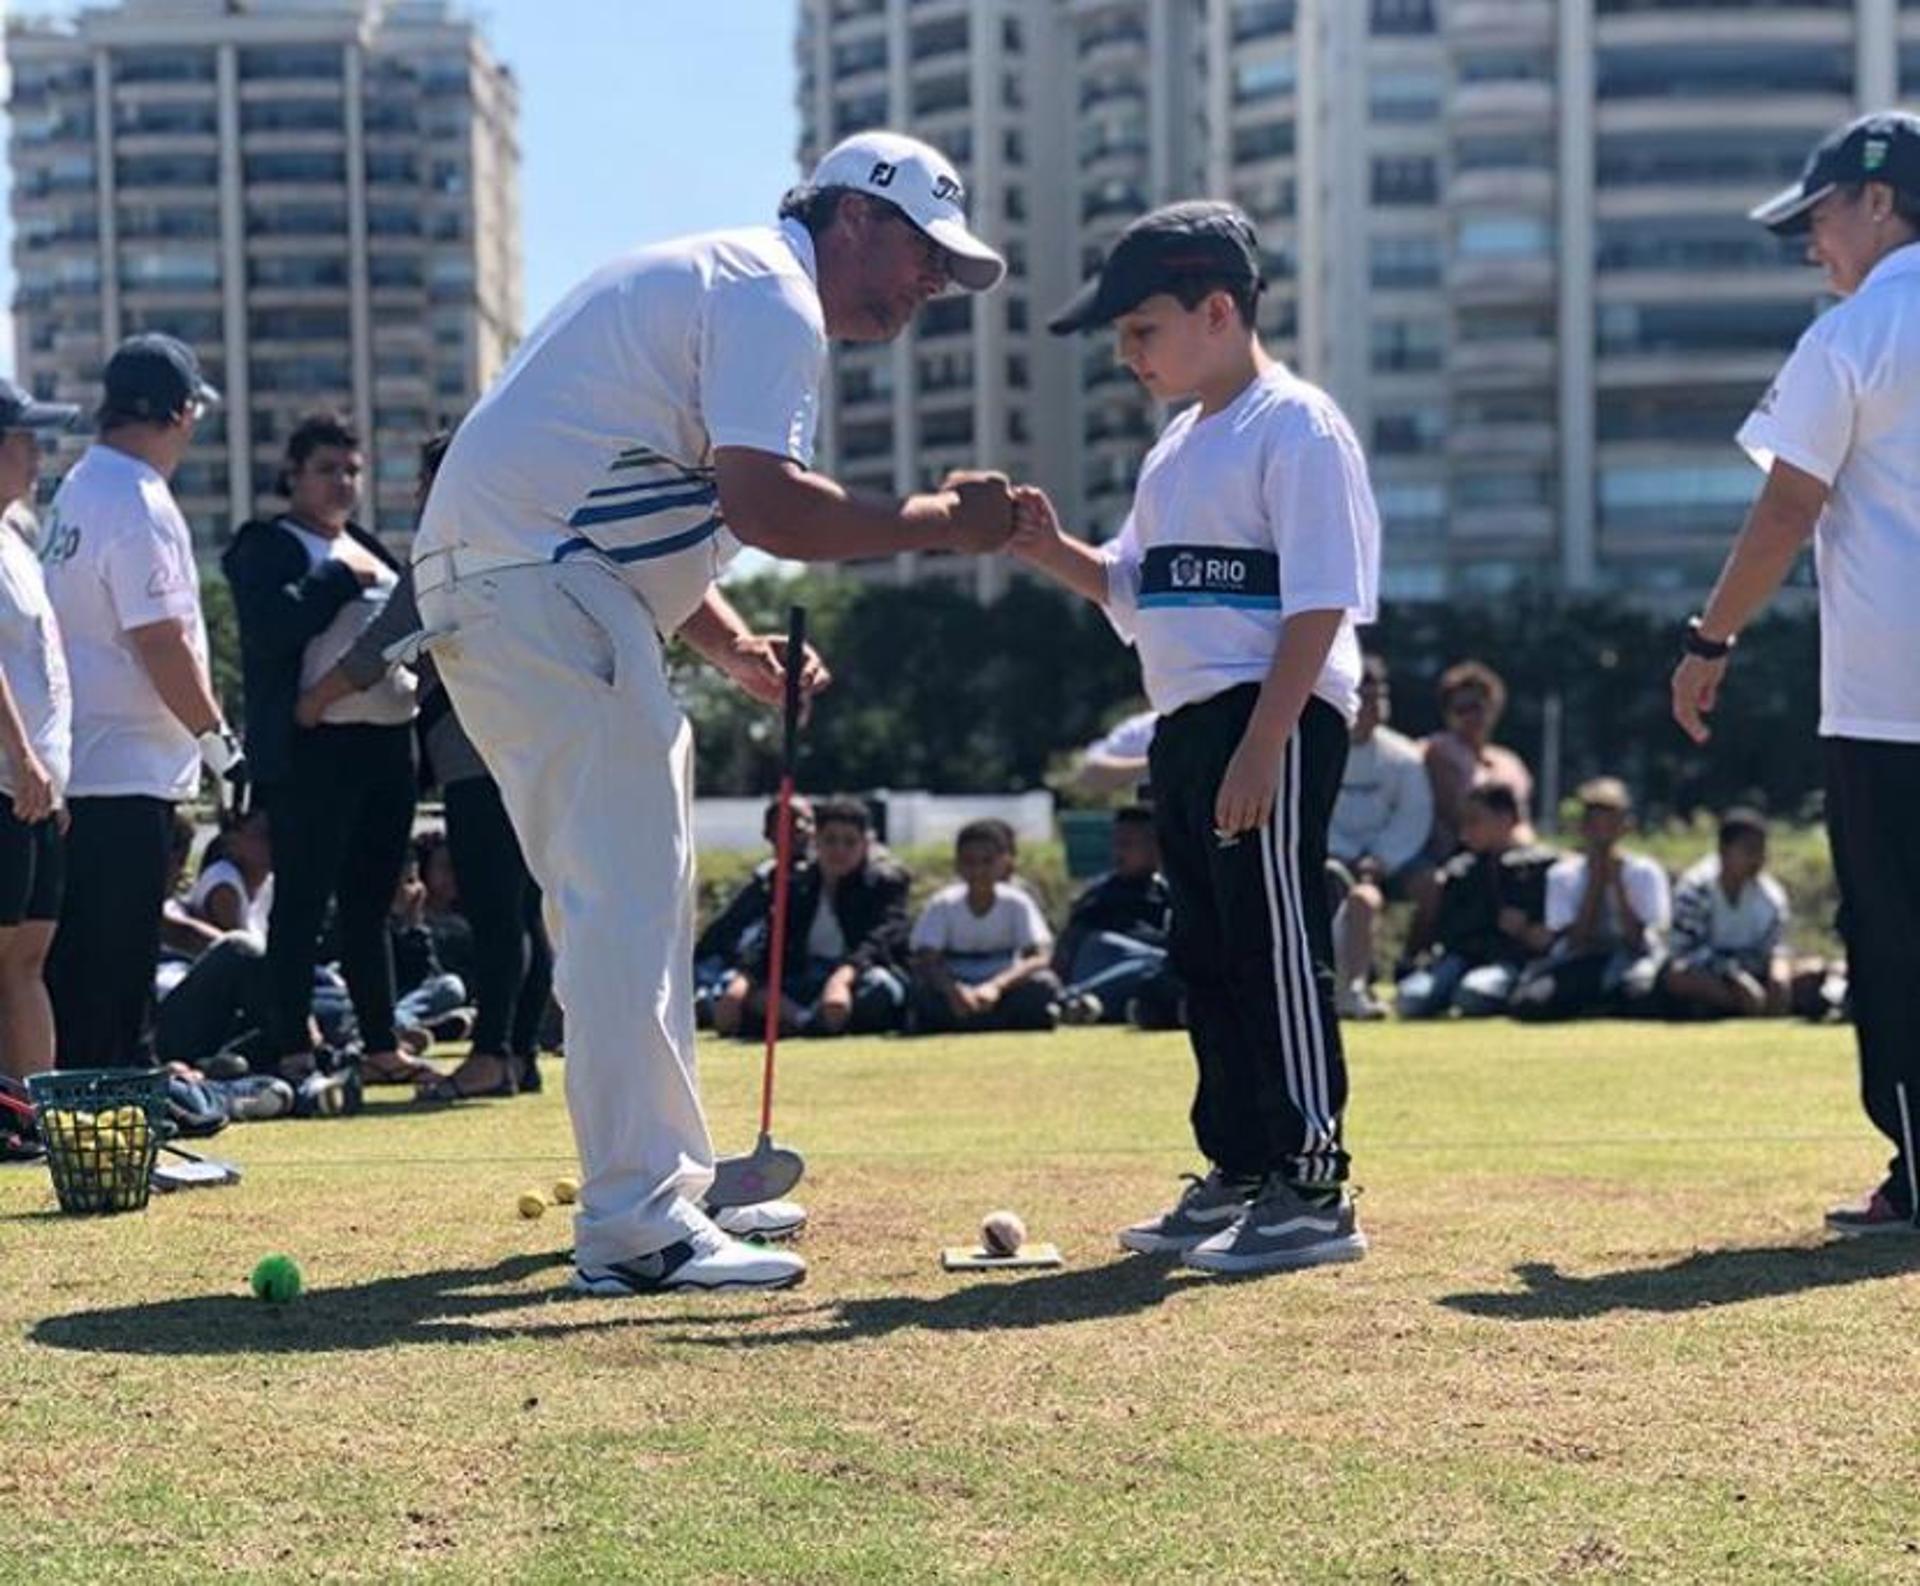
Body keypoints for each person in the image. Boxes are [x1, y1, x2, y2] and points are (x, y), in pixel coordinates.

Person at [409, 129, 1013, 1293]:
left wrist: (735, 646)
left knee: (633, 893)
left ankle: (666, 1189)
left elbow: (640, 503)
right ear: (853, 219)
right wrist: (941, 519)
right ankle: (637, 1221)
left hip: (529, 579)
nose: (931, 284)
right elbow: (769, 504)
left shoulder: (730, 281)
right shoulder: (771, 298)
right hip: (538, 584)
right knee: (623, 901)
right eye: (924, 253)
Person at [1010, 199, 1379, 1274]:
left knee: (1273, 942)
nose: (1128, 354)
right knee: (1207, 951)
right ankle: (1241, 1164)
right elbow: (1131, 590)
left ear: (1219, 309)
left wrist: (1266, 743)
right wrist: (1044, 545)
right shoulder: (1177, 447)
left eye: (1142, 329)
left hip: (1272, 709)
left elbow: (1320, 603)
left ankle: (1312, 1182)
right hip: (1186, 722)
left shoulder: (1294, 425)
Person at [1672, 110, 1920, 1235]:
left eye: (1818, 216)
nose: (1812, 241)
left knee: (1898, 935)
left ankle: (1917, 1167)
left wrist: (1711, 637)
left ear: (1877, 200)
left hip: (1889, 703)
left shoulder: (1856, 333)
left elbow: (1786, 505)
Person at [299, 430, 551, 1098]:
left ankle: (490, 1055)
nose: (418, 498)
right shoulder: (527, 543)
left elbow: (374, 651)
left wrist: (309, 704)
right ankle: (519, 1057)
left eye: (425, 485)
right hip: (536, 752)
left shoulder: (448, 551)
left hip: (476, 754)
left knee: (497, 913)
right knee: (525, 911)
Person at [40, 333, 242, 1071]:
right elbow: (161, 639)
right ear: (182, 411)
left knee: (81, 960)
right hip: (127, 768)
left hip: (79, 764)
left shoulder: (78, 487)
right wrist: (219, 741)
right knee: (119, 963)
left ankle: (94, 1106)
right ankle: (122, 1109)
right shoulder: (137, 499)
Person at [223, 414, 428, 1089]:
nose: (342, 482)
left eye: (352, 470)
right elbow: (270, 631)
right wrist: (340, 579)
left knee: (372, 905)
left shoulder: (373, 547)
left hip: (387, 747)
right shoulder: (268, 544)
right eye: (327, 470)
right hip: (315, 749)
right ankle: (292, 1046)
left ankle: (379, 1041)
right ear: (293, 475)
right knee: (303, 902)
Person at [0, 381, 79, 1082]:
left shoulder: (18, 538)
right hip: (4, 783)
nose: (36, 454)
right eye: (23, 439)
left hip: (35, 790)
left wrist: (54, 776)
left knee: (29, 956)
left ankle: (30, 1117)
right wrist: (22, 756)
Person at [718, 795, 911, 1038]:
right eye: (830, 841)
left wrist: (842, 977)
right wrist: (742, 981)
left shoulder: (883, 884)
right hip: (806, 977)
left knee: (881, 989)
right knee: (734, 990)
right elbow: (771, 940)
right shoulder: (798, 886)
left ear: (865, 845)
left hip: (858, 975)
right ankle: (807, 1021)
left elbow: (882, 939)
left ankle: (803, 1020)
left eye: (849, 842)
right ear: (816, 842)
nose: (839, 850)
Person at [1510, 778, 1670, 1021]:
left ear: (1625, 827)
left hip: (1631, 957)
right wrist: (1595, 885)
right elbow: (1576, 942)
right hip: (1582, 958)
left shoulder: (1645, 872)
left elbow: (1638, 939)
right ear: (1583, 828)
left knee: (1642, 997)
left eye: (1611, 825)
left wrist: (1617, 884)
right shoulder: (1563, 875)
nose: (1603, 836)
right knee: (1531, 1003)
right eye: (1595, 826)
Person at [1329, 654, 1435, 1020]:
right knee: (1356, 898)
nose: (1375, 706)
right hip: (1331, 860)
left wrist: (1381, 859)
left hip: (1392, 860)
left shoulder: (1404, 757)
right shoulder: (1322, 750)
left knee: (1430, 884)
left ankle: (1412, 965)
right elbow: (1316, 812)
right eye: (1366, 696)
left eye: (1380, 696)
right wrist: (1343, 855)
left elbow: (1413, 817)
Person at [1395, 784, 1557, 1019]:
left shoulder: (1543, 868)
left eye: (1475, 821)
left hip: (1510, 960)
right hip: (1460, 958)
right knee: (1410, 1000)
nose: (1465, 831)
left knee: (1472, 995)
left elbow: (1550, 934)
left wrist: (1527, 932)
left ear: (1505, 819)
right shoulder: (1461, 870)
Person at [907, 820, 1061, 1033]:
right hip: (955, 981)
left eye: (987, 862)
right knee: (922, 993)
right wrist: (954, 992)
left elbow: (1039, 957)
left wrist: (996, 986)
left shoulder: (1017, 902)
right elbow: (926, 959)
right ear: (958, 865)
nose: (978, 870)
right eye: (969, 862)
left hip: (1004, 981)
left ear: (1004, 863)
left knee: (1043, 985)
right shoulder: (943, 904)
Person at [694, 796, 814, 1029]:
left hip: (776, 972)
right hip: (733, 964)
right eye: (788, 823)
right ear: (768, 833)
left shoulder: (815, 880)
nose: (799, 830)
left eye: (806, 822)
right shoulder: (762, 883)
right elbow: (723, 931)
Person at [1660, 808, 1792, 1019]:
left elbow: (1776, 946)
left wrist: (1779, 975)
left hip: (1755, 969)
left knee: (1812, 972)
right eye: (1749, 850)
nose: (1758, 859)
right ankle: (1743, 1007)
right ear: (1723, 850)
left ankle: (1759, 1007)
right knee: (1678, 977)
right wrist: (1733, 976)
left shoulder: (1771, 895)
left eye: (1761, 850)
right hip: (1710, 973)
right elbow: (1684, 949)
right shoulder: (1695, 889)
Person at [1052, 804, 1174, 1025]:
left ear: (1154, 847)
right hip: (1100, 963)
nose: (1118, 852)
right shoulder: (1097, 896)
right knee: (1155, 960)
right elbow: (1074, 946)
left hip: (1141, 974)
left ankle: (1088, 1005)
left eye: (1127, 844)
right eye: (1116, 843)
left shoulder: (1169, 895)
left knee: (1156, 968)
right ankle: (1071, 998)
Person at [1423, 661, 1534, 857]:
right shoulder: (1436, 752)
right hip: (1453, 854)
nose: (1470, 716)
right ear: (1447, 714)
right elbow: (1457, 816)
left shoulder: (1511, 763)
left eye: (1477, 707)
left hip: (1511, 852)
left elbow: (1522, 822)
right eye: (1461, 709)